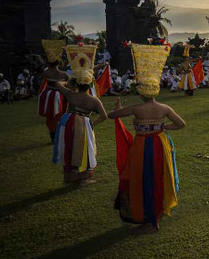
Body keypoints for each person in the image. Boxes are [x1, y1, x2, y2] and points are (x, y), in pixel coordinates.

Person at [109, 43, 185, 229]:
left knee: (140, 178)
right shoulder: (164, 108)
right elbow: (181, 124)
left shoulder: (137, 108)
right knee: (158, 177)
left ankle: (142, 213)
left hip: (141, 146)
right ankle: (155, 214)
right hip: (160, 144)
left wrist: (118, 109)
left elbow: (112, 116)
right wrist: (162, 126)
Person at [52, 44, 107, 183]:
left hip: (68, 121)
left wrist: (70, 80)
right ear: (90, 85)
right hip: (84, 123)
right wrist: (93, 124)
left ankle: (69, 175)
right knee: (83, 148)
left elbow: (57, 84)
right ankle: (81, 174)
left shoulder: (70, 94)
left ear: (77, 84)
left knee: (68, 146)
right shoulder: (94, 101)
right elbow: (104, 116)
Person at [38, 39, 69, 142]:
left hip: (49, 96)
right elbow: (71, 83)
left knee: (51, 117)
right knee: (60, 115)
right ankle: (59, 135)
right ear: (58, 61)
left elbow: (40, 80)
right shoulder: (63, 74)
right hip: (60, 96)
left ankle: (53, 137)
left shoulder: (45, 73)